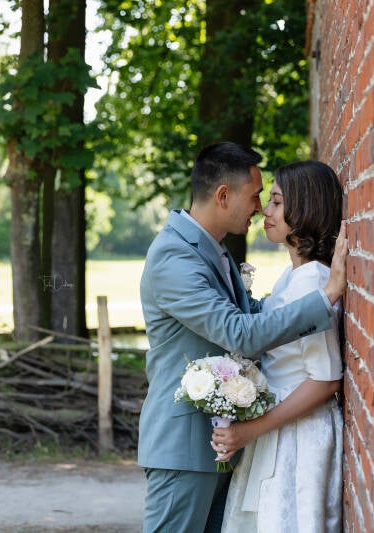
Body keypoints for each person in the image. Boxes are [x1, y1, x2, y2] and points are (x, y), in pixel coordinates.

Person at [138, 143, 348, 533]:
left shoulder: (211, 251)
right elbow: (239, 333)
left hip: (223, 443)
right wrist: (326, 296)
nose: (258, 207)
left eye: (269, 199)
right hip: (184, 446)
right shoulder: (175, 258)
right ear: (223, 195)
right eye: (255, 196)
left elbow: (252, 316)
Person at [211, 160, 344, 532]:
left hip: (299, 437)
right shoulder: (292, 276)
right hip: (278, 427)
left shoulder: (311, 281)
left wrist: (249, 431)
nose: (264, 211)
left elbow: (326, 381)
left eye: (276, 202)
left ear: (304, 208)